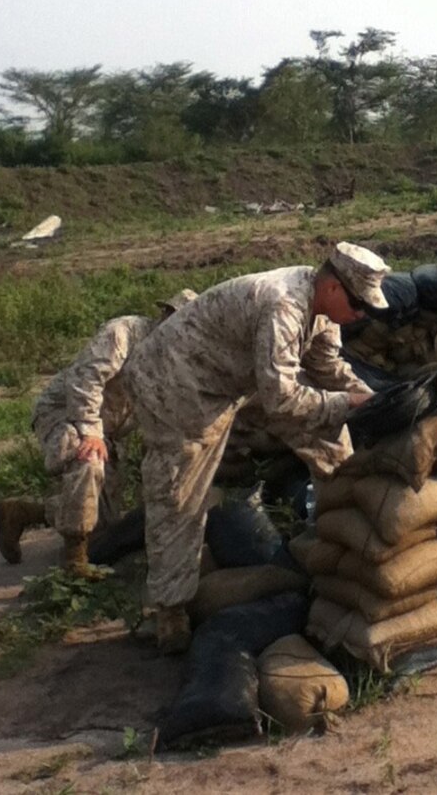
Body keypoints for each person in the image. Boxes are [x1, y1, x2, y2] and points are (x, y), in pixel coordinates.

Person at [124, 241, 390, 653]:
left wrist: (371, 400)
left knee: (329, 435)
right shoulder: (283, 305)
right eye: (359, 306)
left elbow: (326, 369)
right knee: (180, 493)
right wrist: (344, 403)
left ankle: (337, 536)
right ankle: (169, 611)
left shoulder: (321, 308)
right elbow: (282, 399)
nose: (360, 316)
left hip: (237, 378)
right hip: (176, 384)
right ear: (335, 288)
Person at [0, 289, 198, 574]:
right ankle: (74, 562)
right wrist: (90, 431)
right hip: (66, 413)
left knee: (103, 523)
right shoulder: (124, 332)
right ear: (165, 316)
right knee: (87, 460)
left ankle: (21, 513)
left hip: (107, 430)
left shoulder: (172, 363)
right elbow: (85, 377)